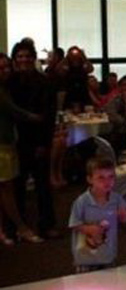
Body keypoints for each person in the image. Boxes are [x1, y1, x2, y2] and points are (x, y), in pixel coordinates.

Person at [9, 41, 58, 239]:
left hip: (38, 140)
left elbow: (49, 117)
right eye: (20, 56)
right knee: (17, 186)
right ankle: (18, 226)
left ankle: (47, 224)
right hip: (15, 141)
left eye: (27, 56)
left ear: (34, 58)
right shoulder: (9, 82)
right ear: (14, 59)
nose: (24, 60)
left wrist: (44, 143)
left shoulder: (45, 83)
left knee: (42, 185)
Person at [0, 53, 43, 245]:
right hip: (2, 145)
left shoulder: (5, 87)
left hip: (7, 143)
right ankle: (21, 227)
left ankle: (4, 229)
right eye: (1, 68)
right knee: (7, 189)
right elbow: (14, 111)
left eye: (7, 67)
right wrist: (36, 117)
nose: (5, 71)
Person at [69, 156, 126, 273]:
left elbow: (124, 219)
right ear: (90, 179)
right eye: (101, 178)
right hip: (85, 257)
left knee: (109, 280)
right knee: (86, 282)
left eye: (111, 177)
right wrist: (89, 229)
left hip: (107, 255)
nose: (107, 182)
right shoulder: (82, 201)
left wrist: (123, 215)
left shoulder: (116, 199)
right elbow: (74, 224)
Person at [57, 46, 94, 110]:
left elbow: (91, 69)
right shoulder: (67, 64)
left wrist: (84, 57)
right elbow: (58, 71)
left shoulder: (83, 64)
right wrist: (66, 57)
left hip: (83, 93)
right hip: (70, 93)